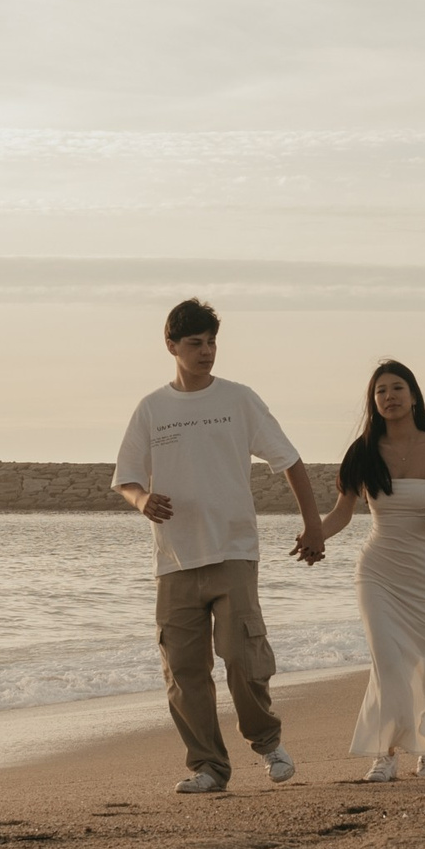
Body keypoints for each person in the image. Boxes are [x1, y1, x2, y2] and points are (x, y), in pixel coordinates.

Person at [112, 298, 328, 794]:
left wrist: (312, 525)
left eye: (212, 342)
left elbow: (289, 461)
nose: (207, 351)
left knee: (242, 656)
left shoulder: (238, 400)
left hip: (233, 549)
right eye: (196, 343)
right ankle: (208, 767)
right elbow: (126, 478)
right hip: (174, 558)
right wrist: (142, 499)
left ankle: (268, 741)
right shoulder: (151, 408)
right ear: (171, 345)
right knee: (184, 670)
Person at [316, 360, 425, 781]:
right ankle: (386, 753)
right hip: (376, 569)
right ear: (372, 401)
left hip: (421, 571)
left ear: (413, 396)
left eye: (397, 388)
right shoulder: (362, 452)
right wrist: (313, 536)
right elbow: (342, 514)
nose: (389, 397)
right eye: (380, 391)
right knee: (386, 661)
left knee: (417, 663)